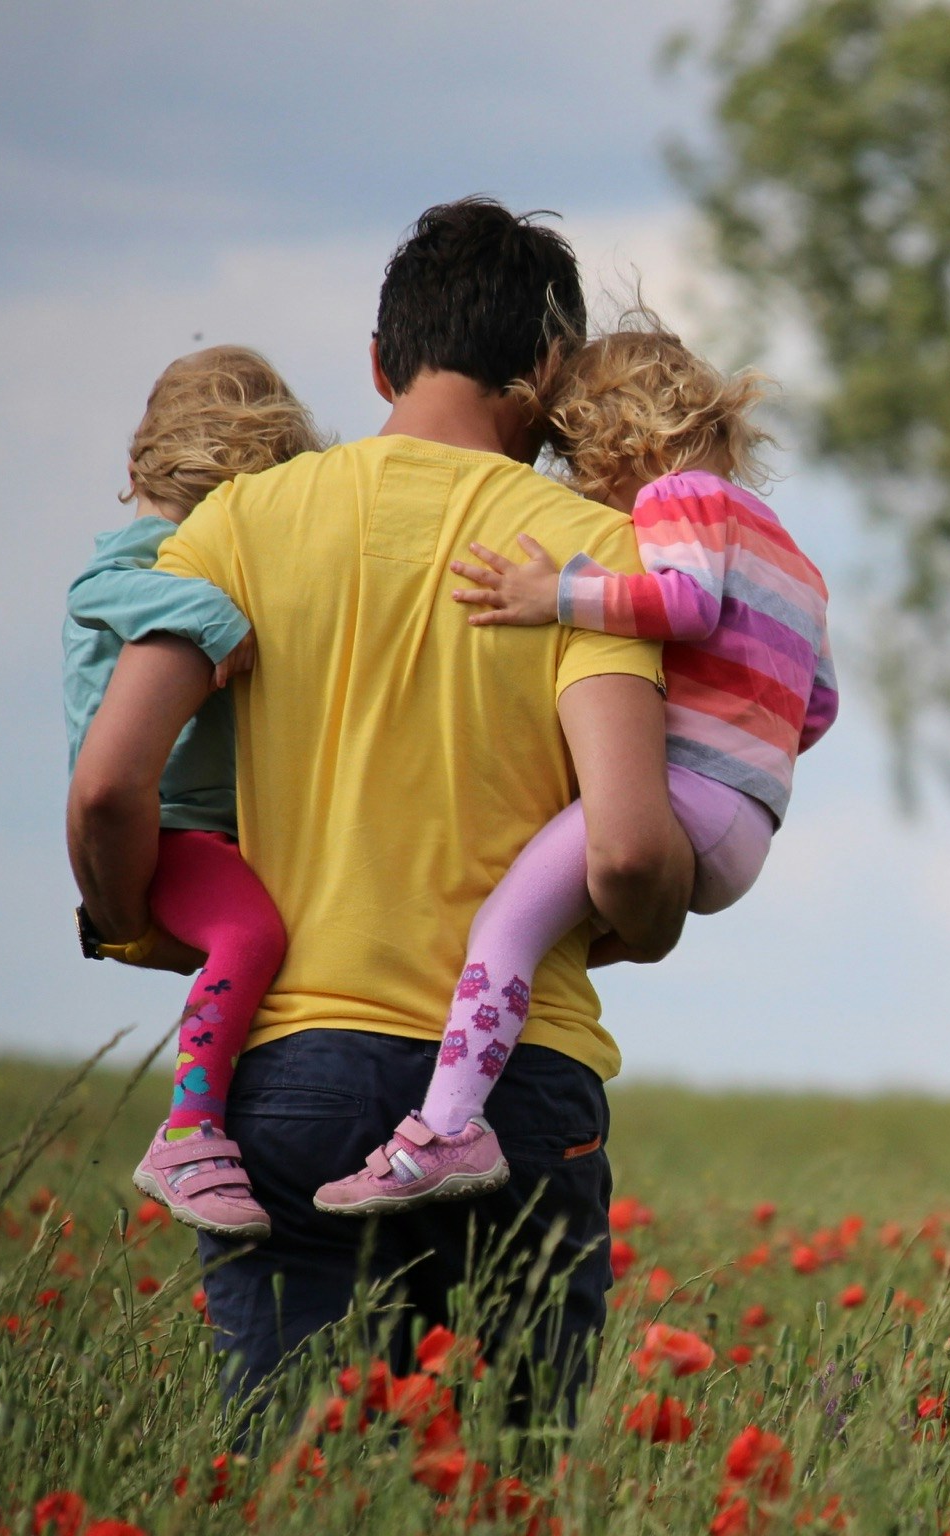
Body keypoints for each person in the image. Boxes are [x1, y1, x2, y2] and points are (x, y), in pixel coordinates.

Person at [67, 197, 693, 1393]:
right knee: (510, 1481)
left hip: (290, 1070)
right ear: (551, 371)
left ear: (377, 361)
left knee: (299, 1480)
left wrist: (137, 920)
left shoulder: (236, 526)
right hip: (516, 1086)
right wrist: (648, 925)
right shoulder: (587, 554)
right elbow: (624, 852)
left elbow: (107, 787)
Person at [314, 315, 838, 1214]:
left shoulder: (680, 500)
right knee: (548, 933)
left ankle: (446, 1130)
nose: (579, 483)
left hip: (685, 796)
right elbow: (818, 706)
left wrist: (553, 594)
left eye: (578, 457)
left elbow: (683, 604)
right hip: (749, 821)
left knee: (503, 928)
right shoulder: (793, 555)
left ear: (620, 438)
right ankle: (472, 1087)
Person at [64, 346, 324, 1239]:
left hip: (213, 828)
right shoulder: (146, 558)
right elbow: (98, 588)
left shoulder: (185, 545)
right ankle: (190, 1130)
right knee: (251, 933)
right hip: (170, 827)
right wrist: (213, 614)